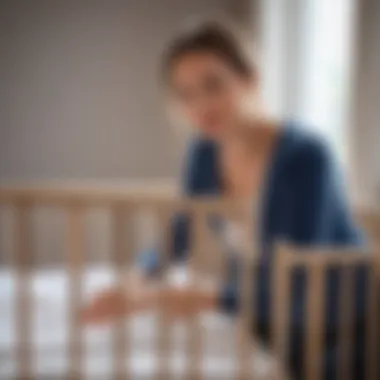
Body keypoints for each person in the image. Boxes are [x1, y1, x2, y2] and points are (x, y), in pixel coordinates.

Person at [82, 19, 367, 380]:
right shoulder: (203, 152)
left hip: (332, 322)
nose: (200, 104)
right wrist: (137, 277)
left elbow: (294, 283)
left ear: (250, 79)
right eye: (185, 94)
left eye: (213, 85)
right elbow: (178, 236)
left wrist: (207, 297)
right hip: (262, 315)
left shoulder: (307, 156)